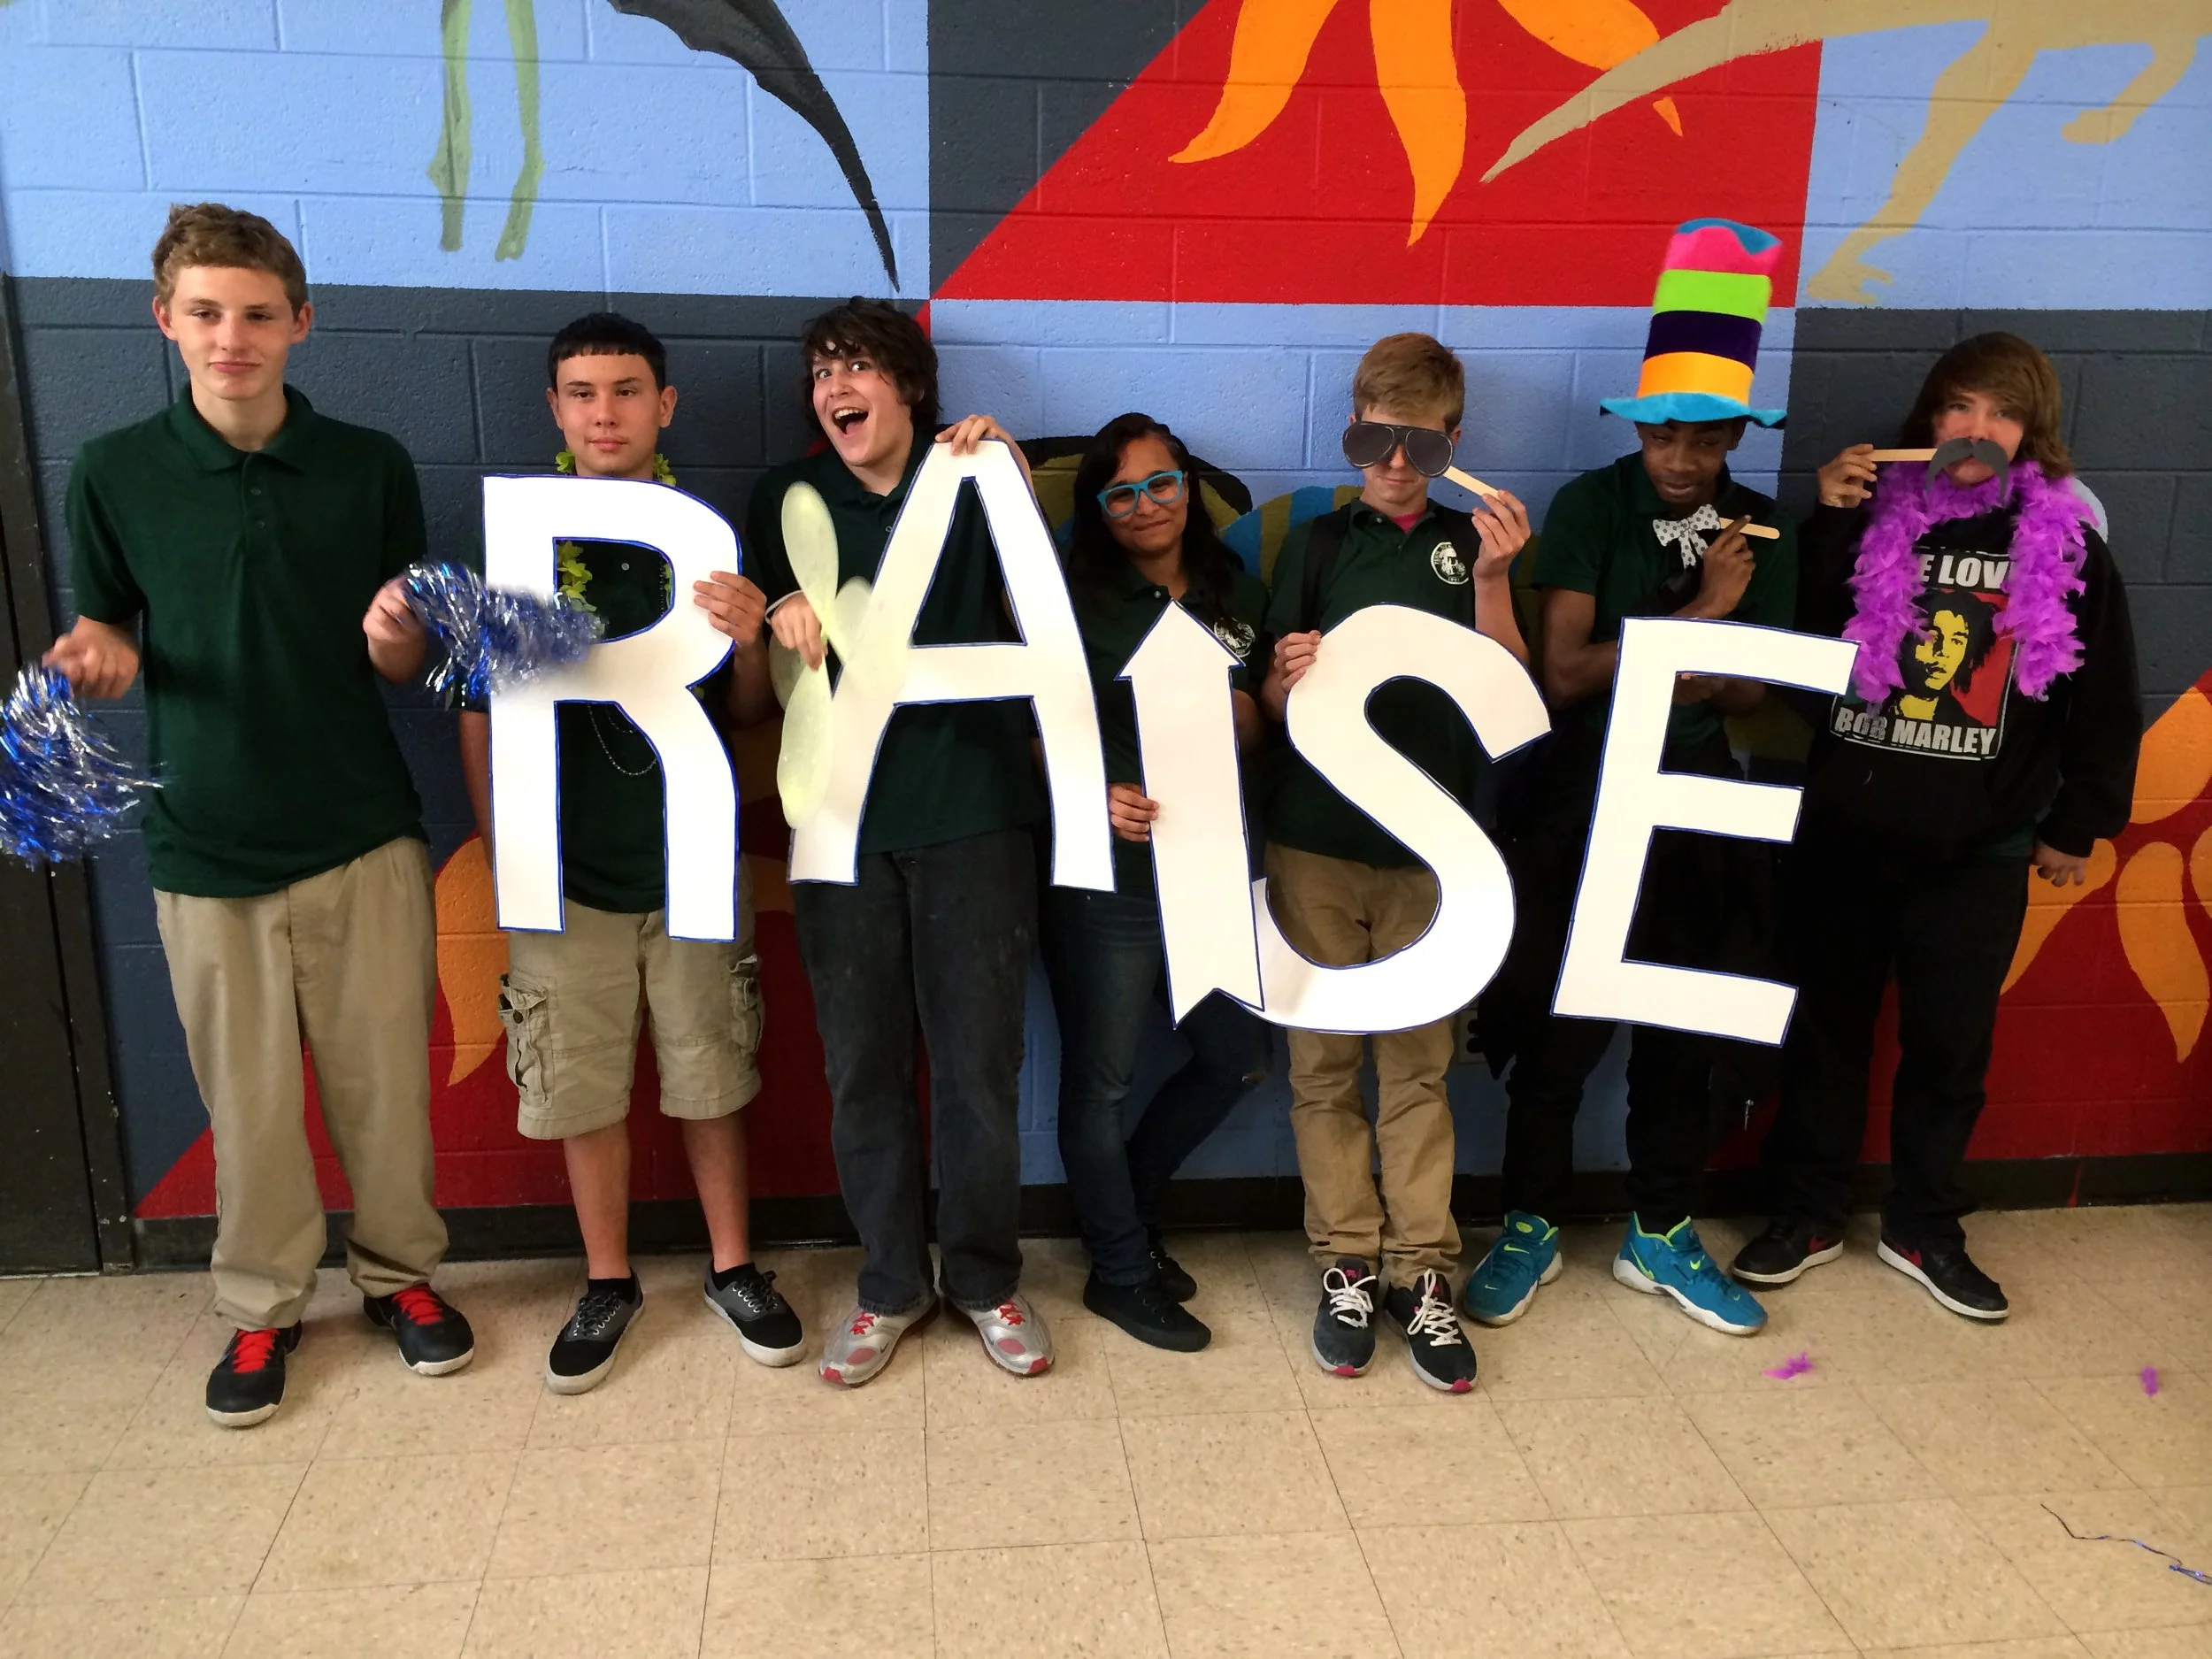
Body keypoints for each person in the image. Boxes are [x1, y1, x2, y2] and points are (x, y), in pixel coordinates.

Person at [47, 204, 473, 1428]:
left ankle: (400, 1278)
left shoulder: (369, 464)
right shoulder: (112, 469)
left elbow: (403, 660)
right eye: (205, 313)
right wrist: (100, 657)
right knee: (248, 1103)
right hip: (204, 840)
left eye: (255, 313)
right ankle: (262, 1304)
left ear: (300, 323)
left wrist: (397, 634)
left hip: (361, 828)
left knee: (385, 1087)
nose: (230, 337)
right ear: (165, 321)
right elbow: (110, 625)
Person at [1732, 333, 2140, 1320]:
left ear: (2030, 435)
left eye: (2002, 414)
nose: (1977, 429)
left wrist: (2078, 822)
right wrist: (1829, 524)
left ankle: (1924, 1225)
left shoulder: (2068, 546)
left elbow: (2104, 698)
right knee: (1822, 1035)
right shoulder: (1870, 520)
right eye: (1960, 406)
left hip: (1977, 851)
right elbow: (1794, 654)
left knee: (1950, 1048)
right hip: (1846, 835)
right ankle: (1808, 1211)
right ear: (1929, 421)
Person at [458, 312, 803, 1393]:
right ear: (554, 409)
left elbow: (748, 715)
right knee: (580, 1084)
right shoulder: (519, 550)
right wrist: (510, 850)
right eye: (581, 392)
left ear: (665, 405)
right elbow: (477, 713)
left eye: (624, 390)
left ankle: (732, 1264)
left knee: (712, 1071)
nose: (603, 413)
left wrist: (746, 643)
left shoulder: (703, 542)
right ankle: (607, 1279)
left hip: (689, 856)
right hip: (563, 873)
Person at [1469, 219, 1796, 1340]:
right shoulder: (1593, 506)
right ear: (1639, 425)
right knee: (1559, 1026)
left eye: (1704, 439)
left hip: (1695, 802)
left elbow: (1750, 692)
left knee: (1677, 1035)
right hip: (1583, 799)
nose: (1681, 459)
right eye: (1663, 433)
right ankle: (1529, 1224)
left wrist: (1685, 659)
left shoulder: (1763, 528)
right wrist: (1702, 615)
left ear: (1735, 435)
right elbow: (1564, 675)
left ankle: (1661, 1232)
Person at [742, 298, 1051, 1386]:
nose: (836, 386)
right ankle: (888, 1284)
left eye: (859, 366)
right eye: (822, 371)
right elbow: (760, 670)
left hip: (972, 816)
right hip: (838, 827)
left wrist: (1013, 475)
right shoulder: (785, 498)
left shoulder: (971, 479)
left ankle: (985, 1277)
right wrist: (777, 610)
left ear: (909, 386)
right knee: (862, 1067)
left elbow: (1038, 609)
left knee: (978, 1067)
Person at [1259, 333, 1532, 1393]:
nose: (1395, 463)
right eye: (1374, 440)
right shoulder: (1318, 544)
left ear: (1453, 442)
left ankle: (1422, 1272)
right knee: (1323, 1068)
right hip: (1314, 846)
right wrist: (1287, 675)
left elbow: (1512, 698)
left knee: (1419, 1070)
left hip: (1435, 854)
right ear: (1353, 432)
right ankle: (1345, 1261)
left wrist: (1495, 579)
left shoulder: (1477, 545)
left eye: (1419, 444)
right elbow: (1269, 700)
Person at [1043, 413, 1273, 1353]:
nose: (1146, 506)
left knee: (1239, 1056)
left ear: (1189, 487)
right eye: (1122, 493)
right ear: (1098, 508)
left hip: (1210, 864)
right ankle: (1120, 1270)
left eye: (1162, 484)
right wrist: (1096, 791)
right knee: (1099, 1084)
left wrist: (1241, 712)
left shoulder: (1237, 589)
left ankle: (1125, 1219)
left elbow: (1260, 725)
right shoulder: (1072, 600)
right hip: (1109, 879)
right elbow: (1029, 726)